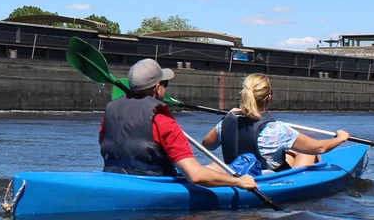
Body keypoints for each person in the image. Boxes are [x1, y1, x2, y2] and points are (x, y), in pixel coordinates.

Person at [100, 59, 259, 191]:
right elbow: (195, 175)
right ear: (157, 88)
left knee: (215, 166)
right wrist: (239, 182)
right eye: (165, 84)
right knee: (233, 166)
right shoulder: (162, 120)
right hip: (153, 185)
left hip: (113, 177)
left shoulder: (110, 112)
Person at [200, 73, 349, 172]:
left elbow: (207, 145)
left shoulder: (226, 123)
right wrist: (340, 138)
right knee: (309, 153)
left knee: (292, 150)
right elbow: (320, 148)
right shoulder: (277, 129)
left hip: (238, 170)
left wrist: (228, 117)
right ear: (269, 97)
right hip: (265, 177)